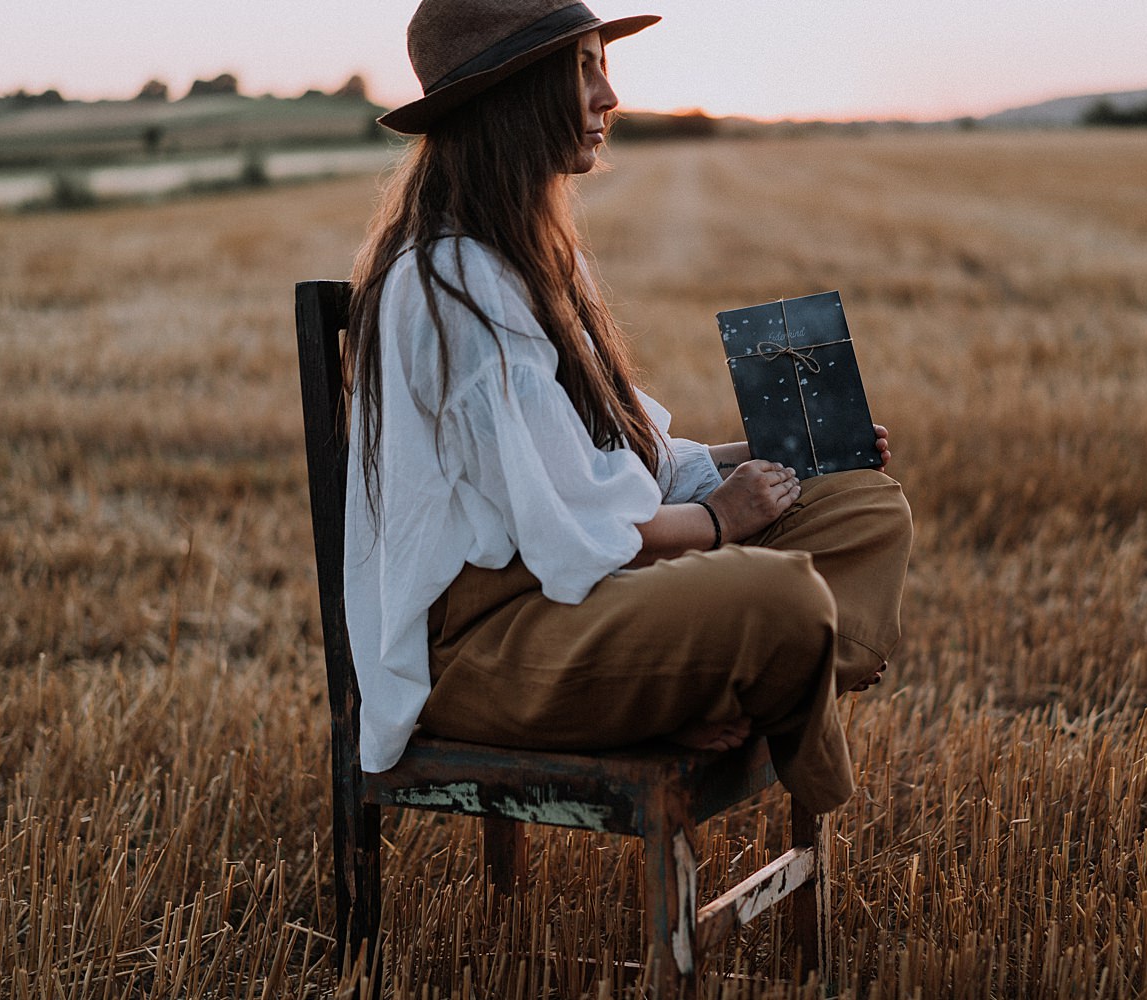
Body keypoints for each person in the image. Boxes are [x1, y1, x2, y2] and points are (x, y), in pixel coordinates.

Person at [342, 0, 912, 814]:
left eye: (601, 66)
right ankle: (759, 684)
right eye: (581, 70)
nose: (608, 96)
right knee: (777, 598)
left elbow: (619, 455)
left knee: (863, 506)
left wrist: (745, 455)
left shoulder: (532, 259)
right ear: (512, 97)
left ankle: (724, 685)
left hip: (583, 599)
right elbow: (571, 533)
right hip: (495, 644)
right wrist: (720, 522)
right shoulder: (456, 283)